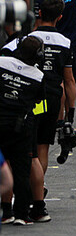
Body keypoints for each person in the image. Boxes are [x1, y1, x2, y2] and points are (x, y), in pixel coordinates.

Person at [2, 0, 70, 223]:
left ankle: (8, 207)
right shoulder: (63, 44)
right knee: (36, 154)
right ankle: (36, 202)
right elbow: (68, 82)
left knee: (11, 158)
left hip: (16, 111)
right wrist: (66, 115)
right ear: (60, 17)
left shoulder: (14, 49)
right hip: (45, 103)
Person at [0, 37, 44, 226]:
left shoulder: (2, 62)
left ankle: (6, 211)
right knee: (22, 170)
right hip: (21, 127)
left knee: (3, 166)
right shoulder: (38, 76)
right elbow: (39, 101)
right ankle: (21, 214)